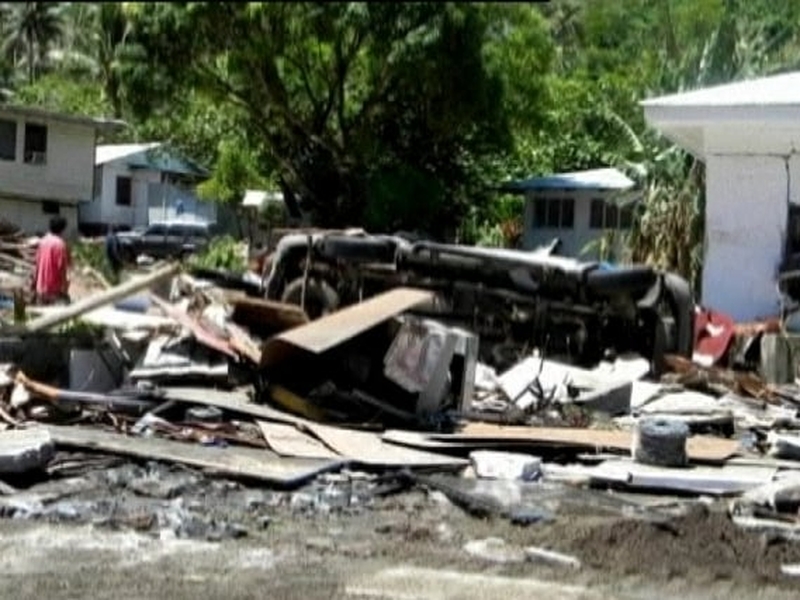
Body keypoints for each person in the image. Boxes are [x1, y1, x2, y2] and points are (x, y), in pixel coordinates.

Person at [32, 216, 71, 305]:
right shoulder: (60, 244)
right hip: (53, 290)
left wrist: (34, 283)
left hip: (40, 288)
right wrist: (64, 288)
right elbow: (61, 268)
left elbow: (37, 264)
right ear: (63, 229)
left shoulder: (42, 241)